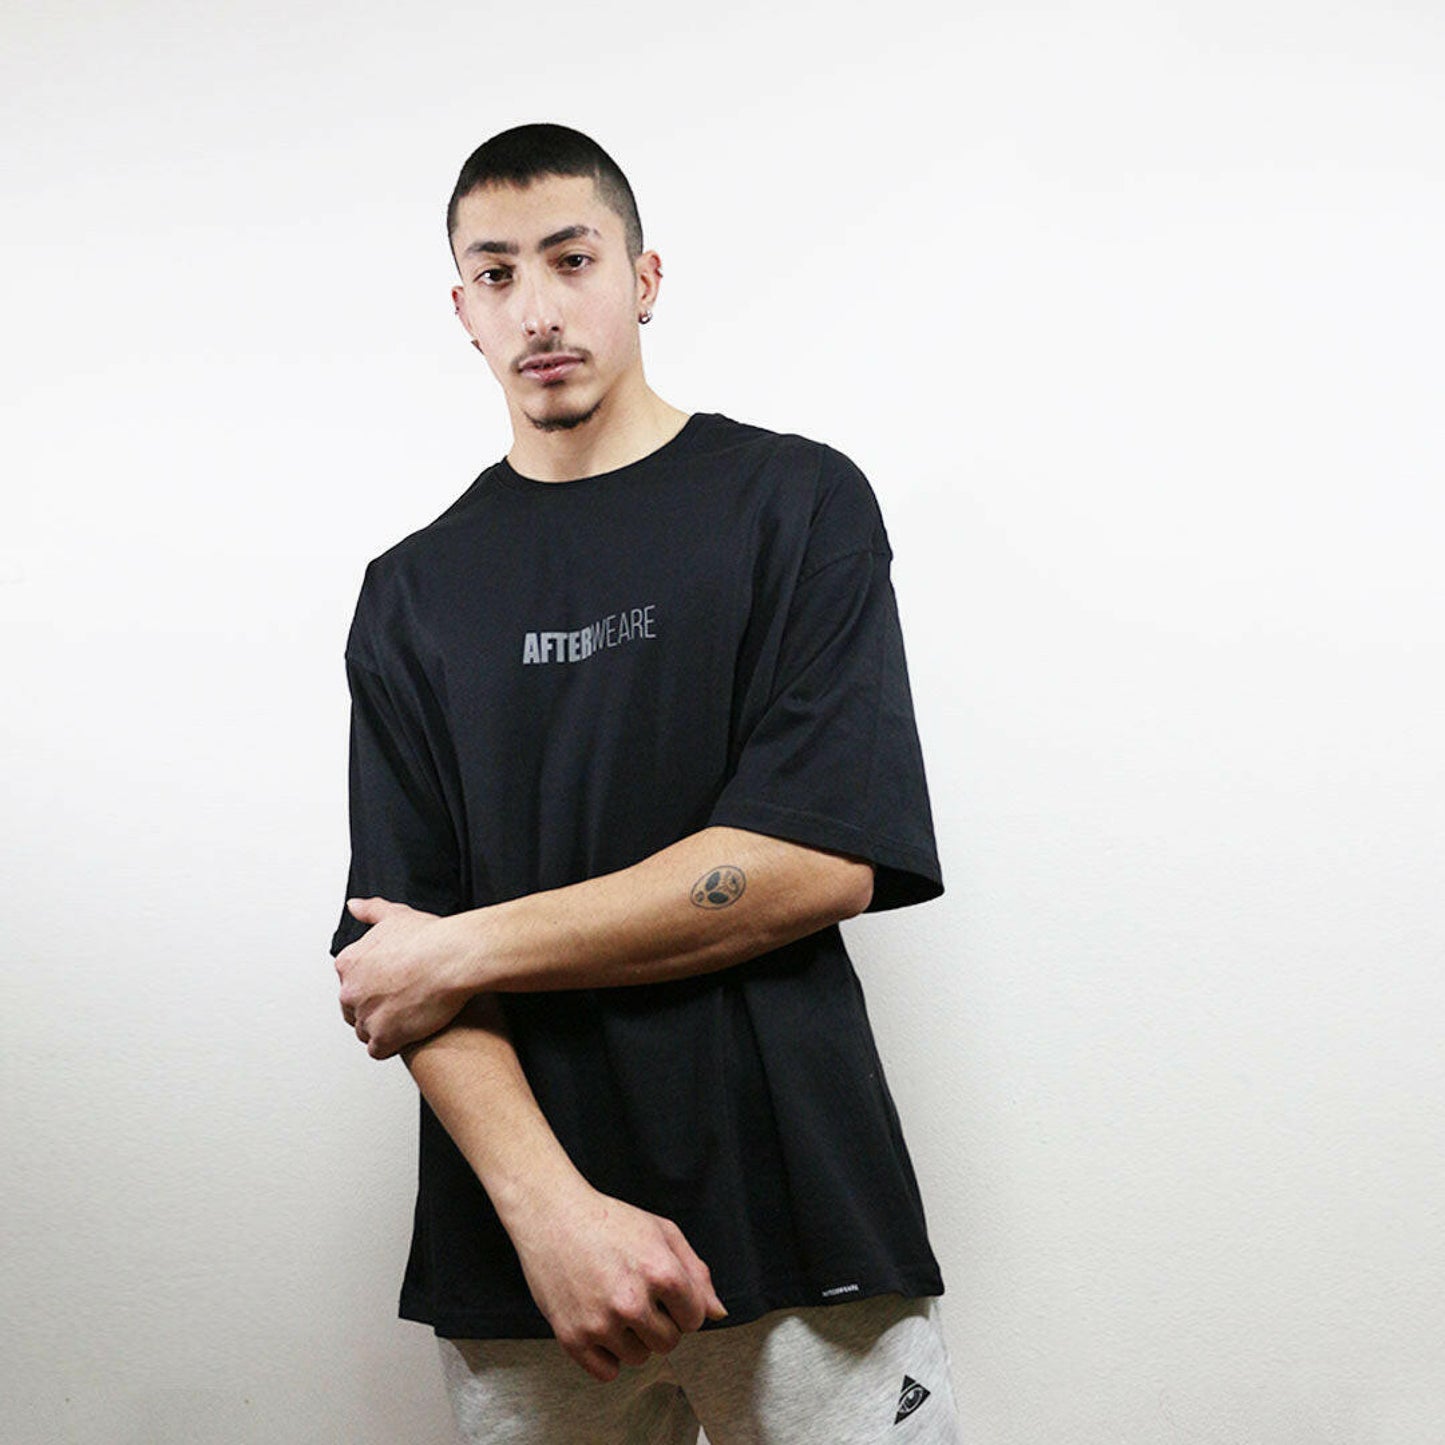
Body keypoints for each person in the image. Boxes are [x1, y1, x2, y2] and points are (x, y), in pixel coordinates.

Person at [330, 122, 962, 1443]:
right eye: (497, 273)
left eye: (572, 259)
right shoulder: (411, 593)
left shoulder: (794, 502)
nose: (538, 309)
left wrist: (470, 945)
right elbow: (396, 962)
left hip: (801, 1216)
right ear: (462, 309)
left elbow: (813, 860)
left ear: (644, 275)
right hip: (526, 1263)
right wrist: (553, 1217)